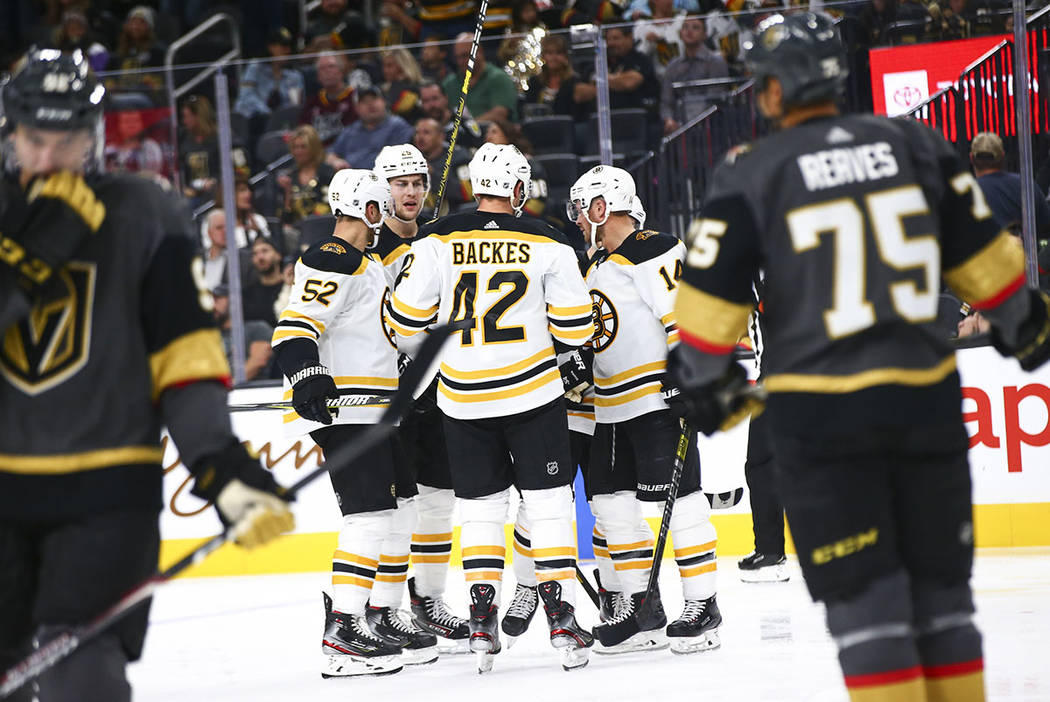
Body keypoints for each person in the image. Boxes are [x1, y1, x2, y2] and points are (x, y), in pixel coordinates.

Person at [669, 13, 1050, 702]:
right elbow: (996, 272)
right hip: (926, 406)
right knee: (945, 610)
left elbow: (703, 317)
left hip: (823, 423)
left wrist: (704, 382)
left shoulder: (753, 173)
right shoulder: (916, 142)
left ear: (777, 91)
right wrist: (1025, 326)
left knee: (871, 620)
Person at [0, 48, 294, 702]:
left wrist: (222, 469)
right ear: (10, 132)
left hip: (107, 496)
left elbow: (185, 362)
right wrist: (39, 243)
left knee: (84, 673)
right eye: (34, 140)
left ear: (93, 136)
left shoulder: (143, 211)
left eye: (67, 140)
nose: (49, 159)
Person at [388, 143, 595, 672]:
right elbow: (576, 328)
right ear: (519, 189)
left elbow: (406, 326)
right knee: (548, 508)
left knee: (480, 511)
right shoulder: (549, 240)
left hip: (462, 398)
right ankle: (561, 617)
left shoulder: (437, 238)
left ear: (472, 185)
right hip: (533, 396)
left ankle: (481, 618)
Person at [271, 169, 437, 677]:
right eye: (381, 204)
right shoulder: (333, 257)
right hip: (347, 410)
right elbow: (296, 325)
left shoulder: (366, 264)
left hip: (379, 411)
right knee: (368, 517)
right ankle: (343, 628)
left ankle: (382, 613)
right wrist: (306, 375)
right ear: (367, 208)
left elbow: (375, 336)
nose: (387, 210)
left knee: (402, 509)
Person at [566, 165, 722, 655]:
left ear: (599, 207)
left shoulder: (654, 248)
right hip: (608, 406)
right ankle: (641, 611)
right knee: (609, 507)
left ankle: (704, 605)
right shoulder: (595, 265)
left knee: (678, 505)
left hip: (657, 400)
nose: (576, 219)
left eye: (580, 208)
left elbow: (687, 316)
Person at [370, 144, 471, 651]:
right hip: (391, 397)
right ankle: (383, 609)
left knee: (438, 502)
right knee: (396, 508)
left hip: (439, 390)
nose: (410, 193)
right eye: (399, 184)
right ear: (381, 188)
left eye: (417, 183)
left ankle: (428, 600)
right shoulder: (367, 249)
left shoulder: (437, 241)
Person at [575, 25, 661, 146]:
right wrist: (616, 82)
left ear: (629, 38)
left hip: (634, 123)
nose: (611, 43)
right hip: (599, 124)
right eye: (608, 39)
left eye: (616, 38)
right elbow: (579, 93)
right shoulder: (598, 62)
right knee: (578, 133)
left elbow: (630, 82)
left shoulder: (641, 60)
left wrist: (597, 81)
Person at [970, 131, 1050, 237]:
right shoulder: (1025, 186)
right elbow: (1045, 227)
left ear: (971, 158)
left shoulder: (964, 194)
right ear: (1002, 156)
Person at [233, 28, 305, 144]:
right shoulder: (255, 68)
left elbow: (296, 105)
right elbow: (246, 96)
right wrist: (268, 113)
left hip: (280, 125)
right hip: (253, 120)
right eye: (283, 46)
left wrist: (277, 117)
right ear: (271, 47)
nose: (287, 50)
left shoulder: (294, 76)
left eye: (289, 46)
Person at [660, 15, 730, 134]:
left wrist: (693, 123)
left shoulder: (715, 62)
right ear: (680, 33)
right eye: (685, 27)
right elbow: (666, 101)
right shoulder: (673, 65)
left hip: (710, 126)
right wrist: (669, 120)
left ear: (705, 34)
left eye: (695, 27)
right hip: (679, 127)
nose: (689, 31)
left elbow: (715, 99)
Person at [441, 33, 519, 123]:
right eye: (458, 57)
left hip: (495, 134)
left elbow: (500, 114)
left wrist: (470, 127)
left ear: (480, 51)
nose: (461, 61)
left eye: (465, 56)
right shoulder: (450, 83)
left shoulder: (498, 78)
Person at [331, 87, 415, 170]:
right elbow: (331, 155)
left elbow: (401, 158)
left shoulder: (398, 126)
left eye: (374, 99)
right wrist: (335, 161)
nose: (370, 104)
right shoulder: (350, 131)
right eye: (364, 102)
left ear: (384, 102)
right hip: (351, 178)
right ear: (356, 108)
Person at [212, 284, 276, 381]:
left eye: (217, 300)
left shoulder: (256, 328)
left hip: (252, 391)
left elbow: (258, 361)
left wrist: (229, 386)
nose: (213, 305)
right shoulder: (211, 336)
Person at [277, 125, 336, 225]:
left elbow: (331, 208)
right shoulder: (290, 176)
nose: (298, 152)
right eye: (295, 147)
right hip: (296, 232)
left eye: (303, 147)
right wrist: (287, 193)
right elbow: (285, 218)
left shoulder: (327, 173)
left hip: (324, 227)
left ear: (313, 148)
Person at [412, 116, 471, 217]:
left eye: (426, 133)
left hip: (452, 217)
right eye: (417, 133)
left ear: (441, 136)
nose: (420, 137)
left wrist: (432, 174)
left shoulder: (459, 157)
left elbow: (467, 193)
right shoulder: (411, 157)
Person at [299, 52, 359, 145]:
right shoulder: (312, 102)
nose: (327, 71)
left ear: (341, 71)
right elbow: (303, 131)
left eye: (331, 66)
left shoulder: (355, 97)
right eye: (322, 68)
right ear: (318, 76)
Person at [523, 34, 586, 122]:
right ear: (543, 56)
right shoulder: (534, 82)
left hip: (568, 130)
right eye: (549, 53)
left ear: (566, 56)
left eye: (558, 53)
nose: (554, 58)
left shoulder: (575, 81)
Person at [419, 80, 483, 152]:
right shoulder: (418, 131)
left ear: (445, 98)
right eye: (426, 101)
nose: (431, 105)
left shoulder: (466, 125)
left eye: (435, 98)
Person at [632, 0, 686, 79]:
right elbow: (637, 59)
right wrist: (649, 44)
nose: (669, 2)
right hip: (657, 79)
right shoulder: (642, 26)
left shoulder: (682, 21)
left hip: (685, 74)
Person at [242, 237, 289, 326]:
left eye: (265, 251)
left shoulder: (289, 288)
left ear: (278, 255)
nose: (260, 257)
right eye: (255, 254)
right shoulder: (247, 293)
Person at [380, 48, 425, 124]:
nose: (385, 70)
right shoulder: (383, 89)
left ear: (403, 67)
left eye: (389, 66)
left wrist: (399, 83)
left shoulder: (420, 88)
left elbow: (396, 109)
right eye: (384, 66)